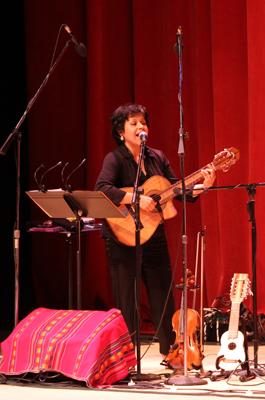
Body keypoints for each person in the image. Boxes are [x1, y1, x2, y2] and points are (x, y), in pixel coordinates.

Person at [95, 103, 215, 356]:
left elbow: (175, 189)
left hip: (154, 233)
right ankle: (124, 354)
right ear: (120, 132)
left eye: (143, 122)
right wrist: (137, 198)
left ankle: (170, 351)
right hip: (123, 235)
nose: (141, 127)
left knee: (163, 292)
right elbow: (103, 189)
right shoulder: (115, 158)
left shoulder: (157, 157)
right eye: (134, 123)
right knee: (127, 296)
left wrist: (203, 184)